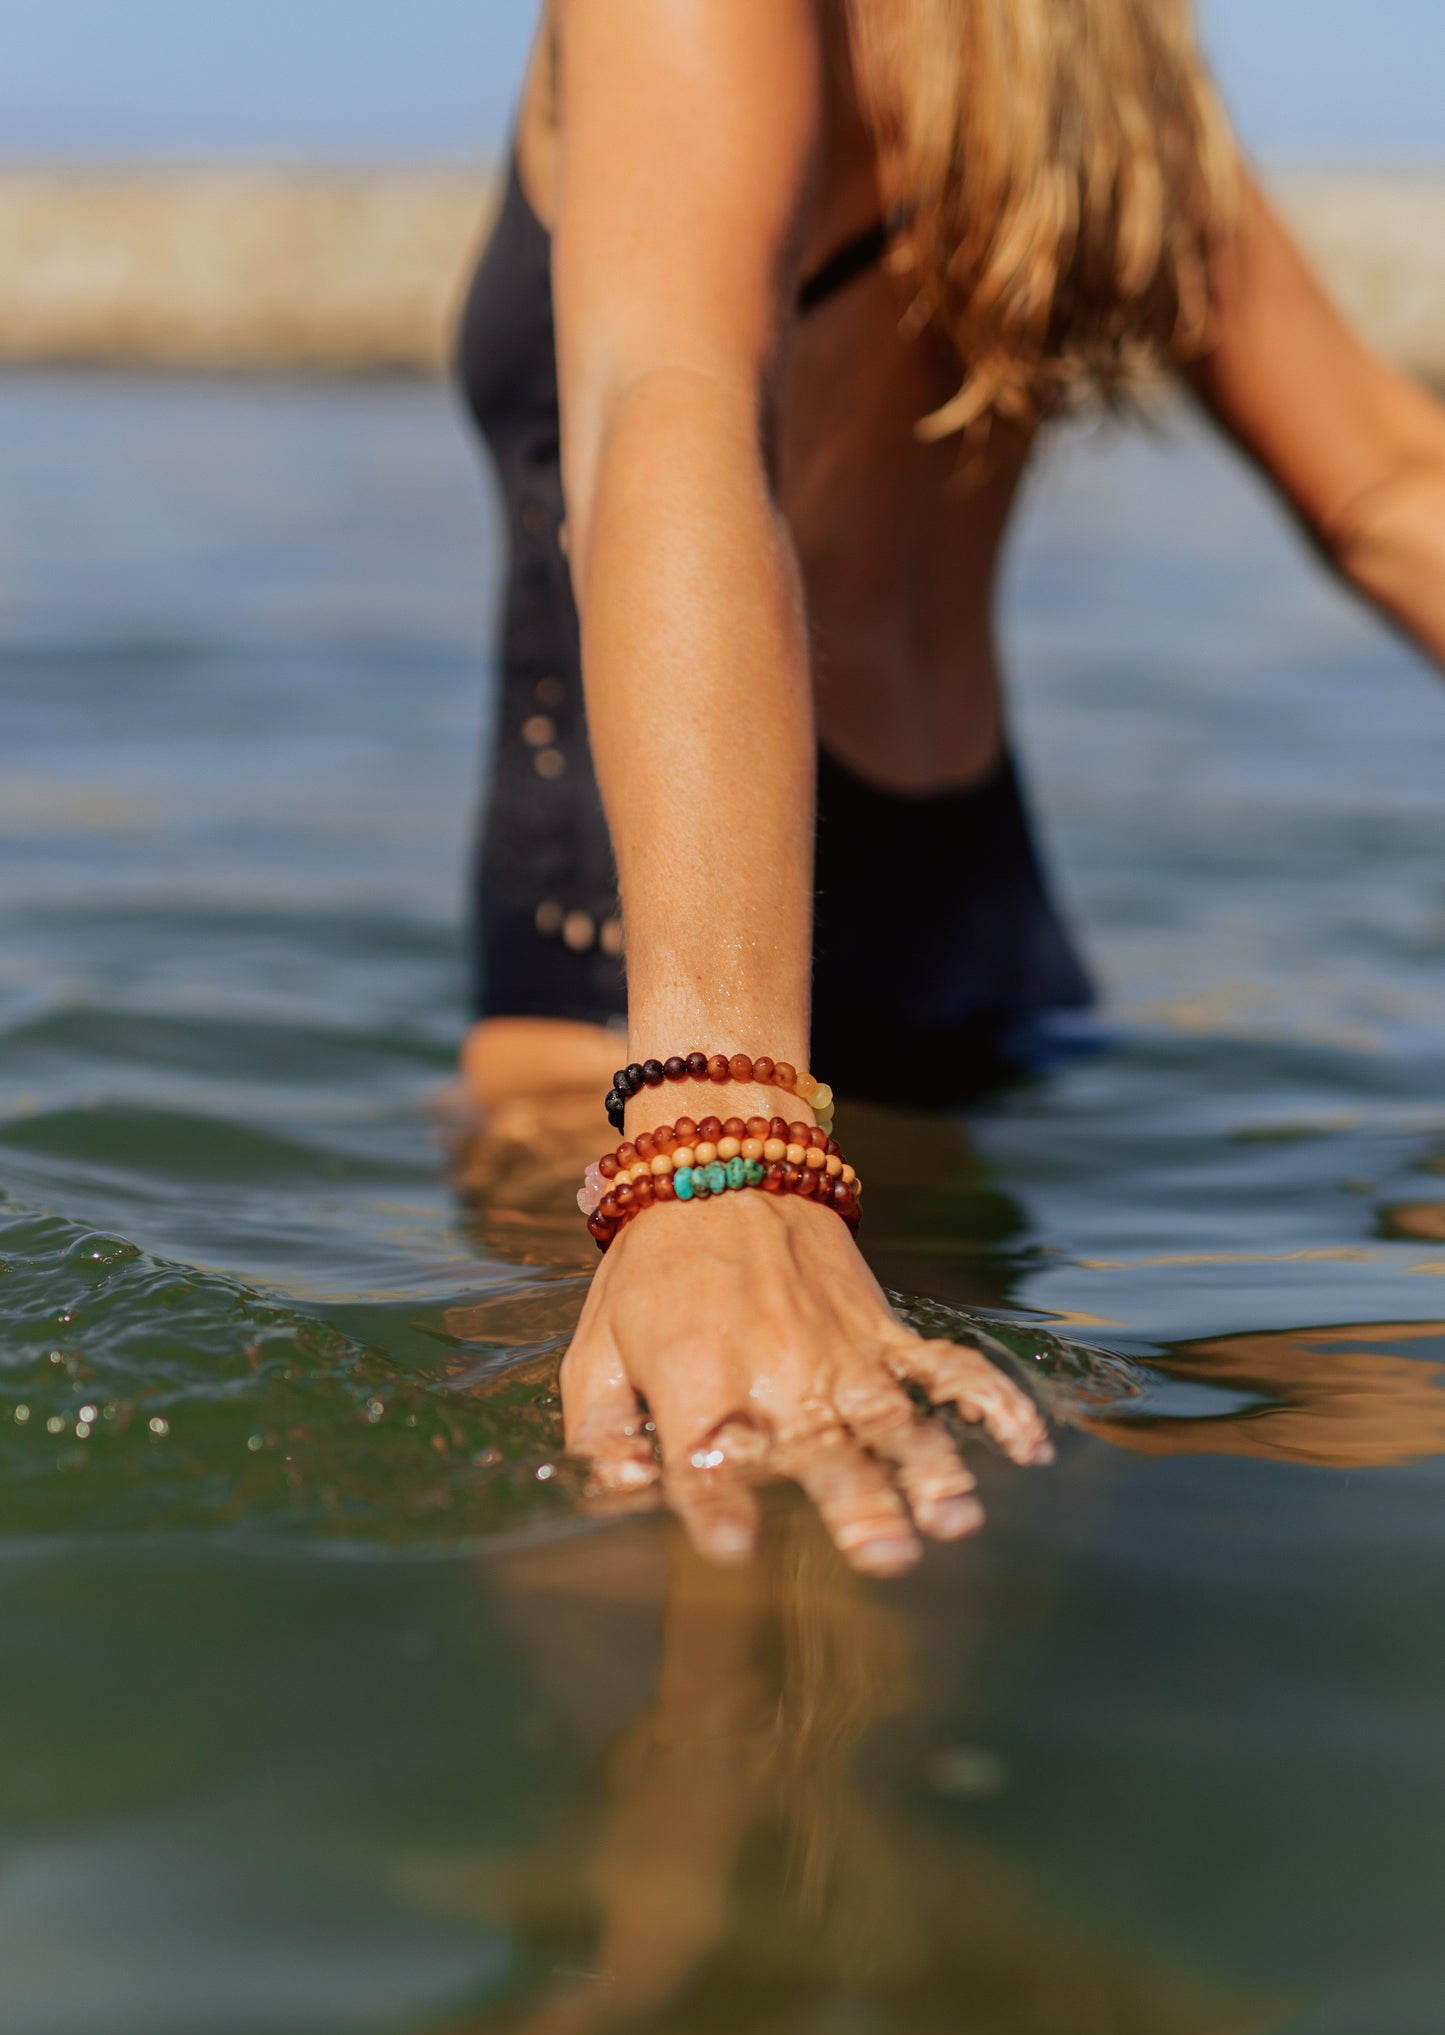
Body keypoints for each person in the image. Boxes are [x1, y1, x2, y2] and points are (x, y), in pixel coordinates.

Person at [454, 0, 1445, 1576]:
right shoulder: (1076, 34)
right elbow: (1394, 490)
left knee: (724, 1670)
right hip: (978, 967)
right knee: (952, 1569)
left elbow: (672, 400)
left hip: (660, 1027)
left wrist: (719, 1129)